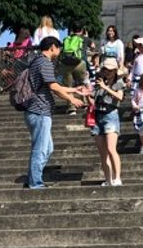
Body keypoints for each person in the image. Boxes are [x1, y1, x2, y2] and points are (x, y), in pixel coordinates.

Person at [21, 36, 85, 190]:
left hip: (37, 110)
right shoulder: (45, 62)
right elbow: (54, 87)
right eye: (59, 47)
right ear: (52, 47)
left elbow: (53, 85)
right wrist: (72, 99)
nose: (60, 51)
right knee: (41, 148)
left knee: (48, 148)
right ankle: (35, 183)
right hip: (39, 110)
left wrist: (74, 89)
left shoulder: (37, 61)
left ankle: (32, 178)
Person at [89, 56, 124, 186]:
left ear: (115, 71)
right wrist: (87, 95)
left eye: (110, 70)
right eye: (105, 69)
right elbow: (93, 100)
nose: (107, 72)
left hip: (111, 114)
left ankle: (117, 177)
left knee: (111, 149)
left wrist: (105, 87)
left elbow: (119, 97)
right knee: (103, 153)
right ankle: (108, 179)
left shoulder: (118, 83)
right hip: (98, 115)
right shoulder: (98, 83)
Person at [58, 27, 90, 113]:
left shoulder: (66, 38)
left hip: (66, 64)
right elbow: (93, 47)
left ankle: (71, 108)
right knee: (83, 83)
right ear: (82, 30)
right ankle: (85, 103)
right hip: (80, 63)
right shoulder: (84, 38)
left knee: (68, 86)